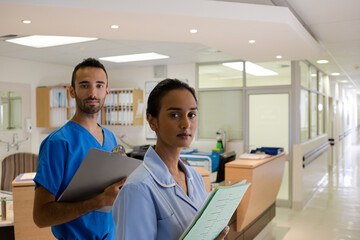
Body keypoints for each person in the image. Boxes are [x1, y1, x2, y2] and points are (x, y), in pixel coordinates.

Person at [112, 79, 229, 239]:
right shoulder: (137, 188)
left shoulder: (194, 178)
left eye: (192, 115)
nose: (186, 124)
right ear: (152, 121)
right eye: (175, 115)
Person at [33, 58, 126, 239]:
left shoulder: (111, 138)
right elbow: (41, 217)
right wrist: (98, 202)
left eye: (99, 86)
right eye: (84, 86)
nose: (93, 93)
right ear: (72, 92)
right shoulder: (58, 143)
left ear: (107, 91)